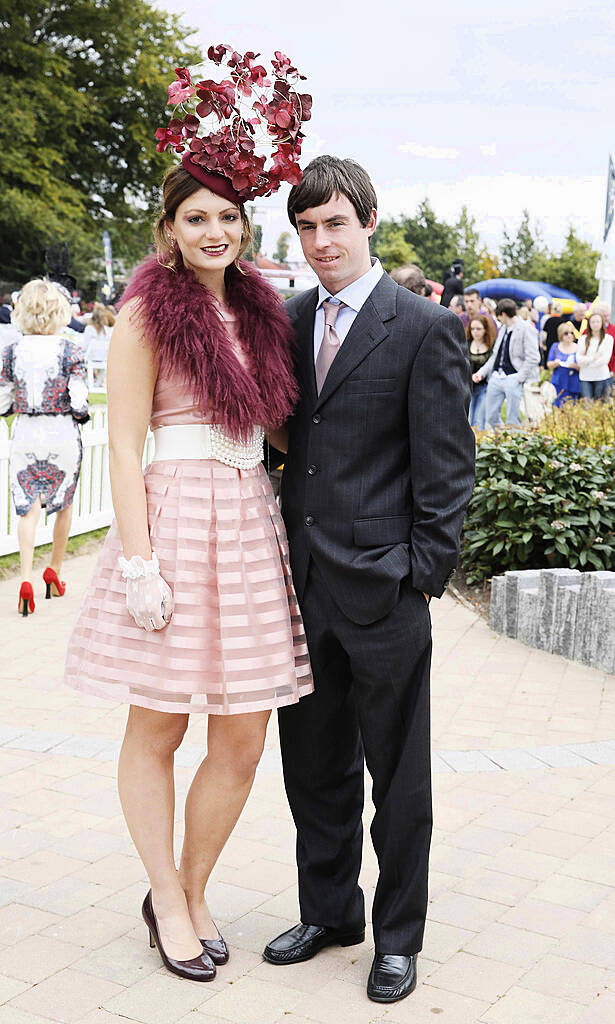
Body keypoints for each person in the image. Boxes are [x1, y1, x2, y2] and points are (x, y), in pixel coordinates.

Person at [64, 48, 313, 985]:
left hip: (246, 525)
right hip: (170, 521)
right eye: (196, 218)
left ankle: (195, 885)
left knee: (244, 731)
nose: (214, 229)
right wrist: (137, 563)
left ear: (245, 227)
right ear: (168, 231)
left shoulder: (260, 314)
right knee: (159, 725)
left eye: (227, 216)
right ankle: (167, 899)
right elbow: (123, 445)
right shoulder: (144, 313)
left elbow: (279, 430)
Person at [262, 155, 475, 1005]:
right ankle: (330, 912)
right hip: (300, 584)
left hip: (384, 588)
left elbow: (447, 470)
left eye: (335, 224)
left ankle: (396, 936)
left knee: (398, 778)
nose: (320, 243)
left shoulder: (421, 326)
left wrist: (418, 576)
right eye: (306, 228)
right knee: (311, 764)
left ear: (370, 222)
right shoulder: (286, 317)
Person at [0, 280, 89, 616]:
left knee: (28, 507)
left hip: (26, 431)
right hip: (61, 431)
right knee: (63, 503)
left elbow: (3, 400)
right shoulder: (71, 351)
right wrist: (79, 413)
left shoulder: (10, 351)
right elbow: (79, 400)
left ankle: (25, 579)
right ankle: (54, 571)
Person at [473, 297, 540, 428]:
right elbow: (495, 356)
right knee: (491, 417)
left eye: (499, 317)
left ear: (503, 314)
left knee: (513, 420)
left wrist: (520, 378)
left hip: (514, 377)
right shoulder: (503, 329)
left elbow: (533, 357)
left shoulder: (526, 328)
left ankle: (512, 445)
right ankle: (501, 443)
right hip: (496, 377)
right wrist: (481, 373)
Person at [467, 313, 497, 427]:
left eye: (478, 329)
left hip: (485, 387)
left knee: (479, 420)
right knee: (468, 419)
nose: (475, 332)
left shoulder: (491, 346)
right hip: (468, 387)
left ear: (485, 329)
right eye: (472, 329)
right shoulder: (466, 344)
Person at [576, 312, 614, 399]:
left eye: (598, 321)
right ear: (589, 324)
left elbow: (605, 359)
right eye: (593, 322)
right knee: (587, 405)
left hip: (601, 376)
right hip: (585, 377)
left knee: (600, 406)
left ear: (602, 323)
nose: (595, 324)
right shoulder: (582, 339)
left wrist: (586, 361)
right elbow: (579, 359)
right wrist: (593, 358)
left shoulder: (608, 339)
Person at [547, 322, 580, 406]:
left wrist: (576, 366)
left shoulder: (578, 347)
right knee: (558, 405)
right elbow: (548, 364)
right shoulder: (555, 346)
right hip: (558, 381)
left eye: (571, 333)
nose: (569, 335)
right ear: (561, 335)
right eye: (566, 333)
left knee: (572, 407)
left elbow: (583, 367)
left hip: (573, 381)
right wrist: (555, 363)